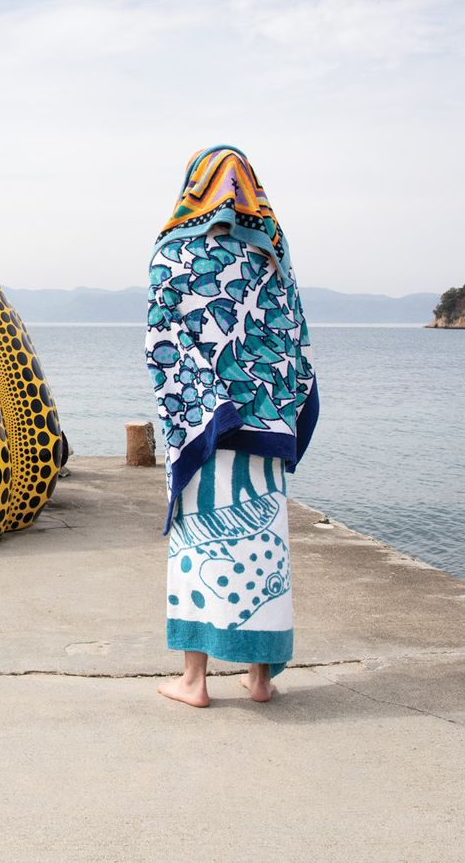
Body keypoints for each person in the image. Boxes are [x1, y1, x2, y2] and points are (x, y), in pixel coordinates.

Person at [145, 145, 319, 707]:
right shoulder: (273, 255)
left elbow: (162, 342)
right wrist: (280, 408)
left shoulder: (174, 252)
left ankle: (193, 681)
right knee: (265, 548)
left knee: (198, 545)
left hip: (207, 428)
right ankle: (260, 678)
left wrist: (205, 405)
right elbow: (295, 340)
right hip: (266, 428)